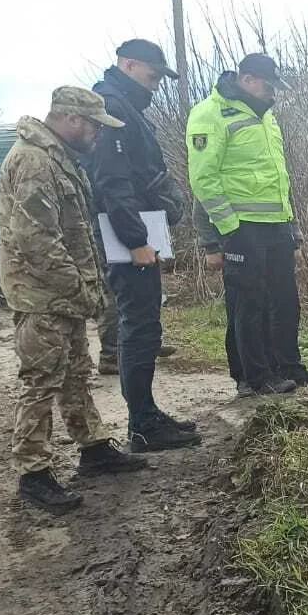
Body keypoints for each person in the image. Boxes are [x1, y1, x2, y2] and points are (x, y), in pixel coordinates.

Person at [0, 87, 147, 512]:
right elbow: (36, 240)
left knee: (75, 374)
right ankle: (33, 473)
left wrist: (84, 287)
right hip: (42, 295)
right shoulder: (33, 161)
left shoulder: (58, 157)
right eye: (95, 125)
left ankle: (93, 446)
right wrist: (81, 287)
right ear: (73, 120)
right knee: (41, 382)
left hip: (64, 294)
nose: (98, 133)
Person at [185, 52, 308, 396]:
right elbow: (203, 178)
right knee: (250, 302)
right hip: (242, 225)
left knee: (285, 300)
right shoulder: (211, 113)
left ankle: (289, 366)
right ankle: (254, 375)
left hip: (275, 223)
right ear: (248, 80)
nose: (273, 92)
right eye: (268, 84)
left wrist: (291, 225)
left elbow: (278, 177)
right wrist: (227, 229)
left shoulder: (266, 117)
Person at [84, 39, 201, 452]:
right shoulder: (112, 108)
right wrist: (135, 242)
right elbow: (113, 183)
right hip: (128, 235)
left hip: (139, 228)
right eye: (152, 76)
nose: (155, 86)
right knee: (139, 326)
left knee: (146, 325)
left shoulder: (125, 105)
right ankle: (143, 425)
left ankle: (146, 415)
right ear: (129, 65)